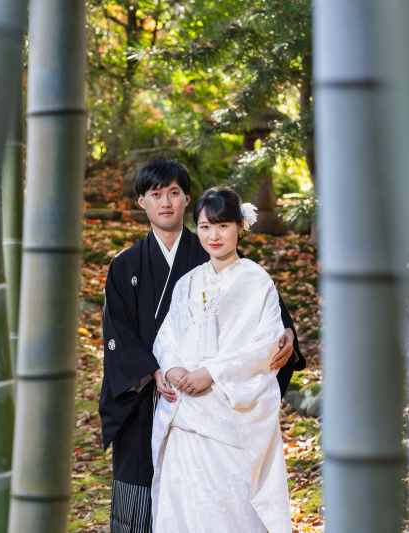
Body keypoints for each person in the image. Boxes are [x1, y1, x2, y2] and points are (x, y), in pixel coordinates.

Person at [98, 156, 305, 533]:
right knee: (141, 498)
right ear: (141, 201)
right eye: (155, 193)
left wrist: (288, 335)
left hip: (210, 398)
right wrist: (157, 370)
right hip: (148, 394)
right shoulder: (125, 265)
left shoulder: (213, 249)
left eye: (174, 193)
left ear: (186, 200)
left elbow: (264, 315)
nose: (165, 202)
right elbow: (119, 334)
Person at [150, 186, 291, 532]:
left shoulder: (257, 281)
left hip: (230, 413)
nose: (213, 235)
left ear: (241, 226)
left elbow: (266, 345)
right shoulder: (187, 282)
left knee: (230, 510)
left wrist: (211, 372)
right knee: (183, 509)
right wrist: (172, 367)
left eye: (223, 225)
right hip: (185, 413)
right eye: (204, 227)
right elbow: (168, 334)